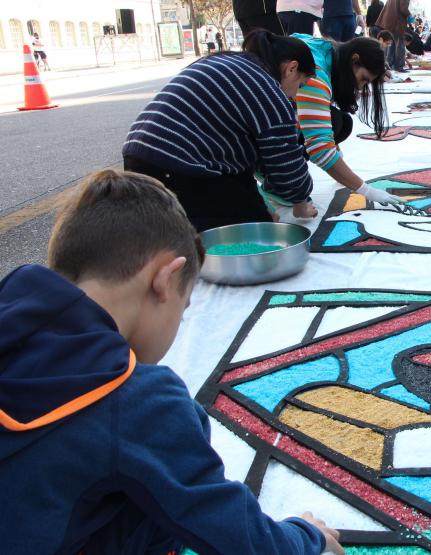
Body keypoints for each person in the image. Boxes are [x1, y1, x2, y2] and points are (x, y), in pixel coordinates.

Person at [0, 170, 345, 555]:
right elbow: (244, 539)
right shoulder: (138, 400)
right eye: (184, 307)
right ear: (165, 279)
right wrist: (307, 537)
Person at [123, 31, 317, 231]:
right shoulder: (268, 90)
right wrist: (301, 203)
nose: (295, 95)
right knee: (248, 234)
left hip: (140, 152)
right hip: (176, 163)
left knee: (258, 218)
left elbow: (238, 165)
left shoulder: (230, 63)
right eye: (300, 85)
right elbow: (286, 162)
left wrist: (259, 207)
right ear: (291, 69)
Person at [291, 34, 402, 204]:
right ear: (354, 60)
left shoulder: (326, 51)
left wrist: (336, 155)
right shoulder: (315, 76)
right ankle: (277, 177)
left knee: (342, 122)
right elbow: (319, 148)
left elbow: (320, 118)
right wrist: (365, 190)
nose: (359, 87)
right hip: (255, 133)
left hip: (260, 116)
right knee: (336, 122)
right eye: (363, 79)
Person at [377, 0, 411, 72]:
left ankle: (389, 65)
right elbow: (403, 9)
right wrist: (410, 14)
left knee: (391, 45)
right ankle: (399, 66)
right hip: (397, 23)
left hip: (389, 21)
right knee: (399, 45)